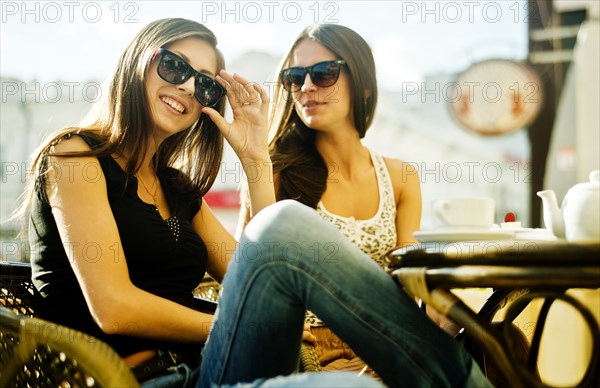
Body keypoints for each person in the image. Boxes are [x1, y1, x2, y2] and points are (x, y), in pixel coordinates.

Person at [16, 18, 490, 387]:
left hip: (213, 368)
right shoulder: (75, 156)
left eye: (204, 84)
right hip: (139, 377)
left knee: (283, 228)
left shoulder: (177, 188)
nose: (186, 88)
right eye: (176, 67)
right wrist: (231, 323)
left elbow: (263, 269)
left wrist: (256, 160)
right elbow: (115, 308)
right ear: (137, 60)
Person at [237, 23, 454, 376]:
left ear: (364, 84)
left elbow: (411, 283)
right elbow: (250, 278)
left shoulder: (401, 178)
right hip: (300, 350)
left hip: (381, 345)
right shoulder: (272, 170)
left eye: (324, 73)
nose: (306, 87)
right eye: (295, 77)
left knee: (498, 344)